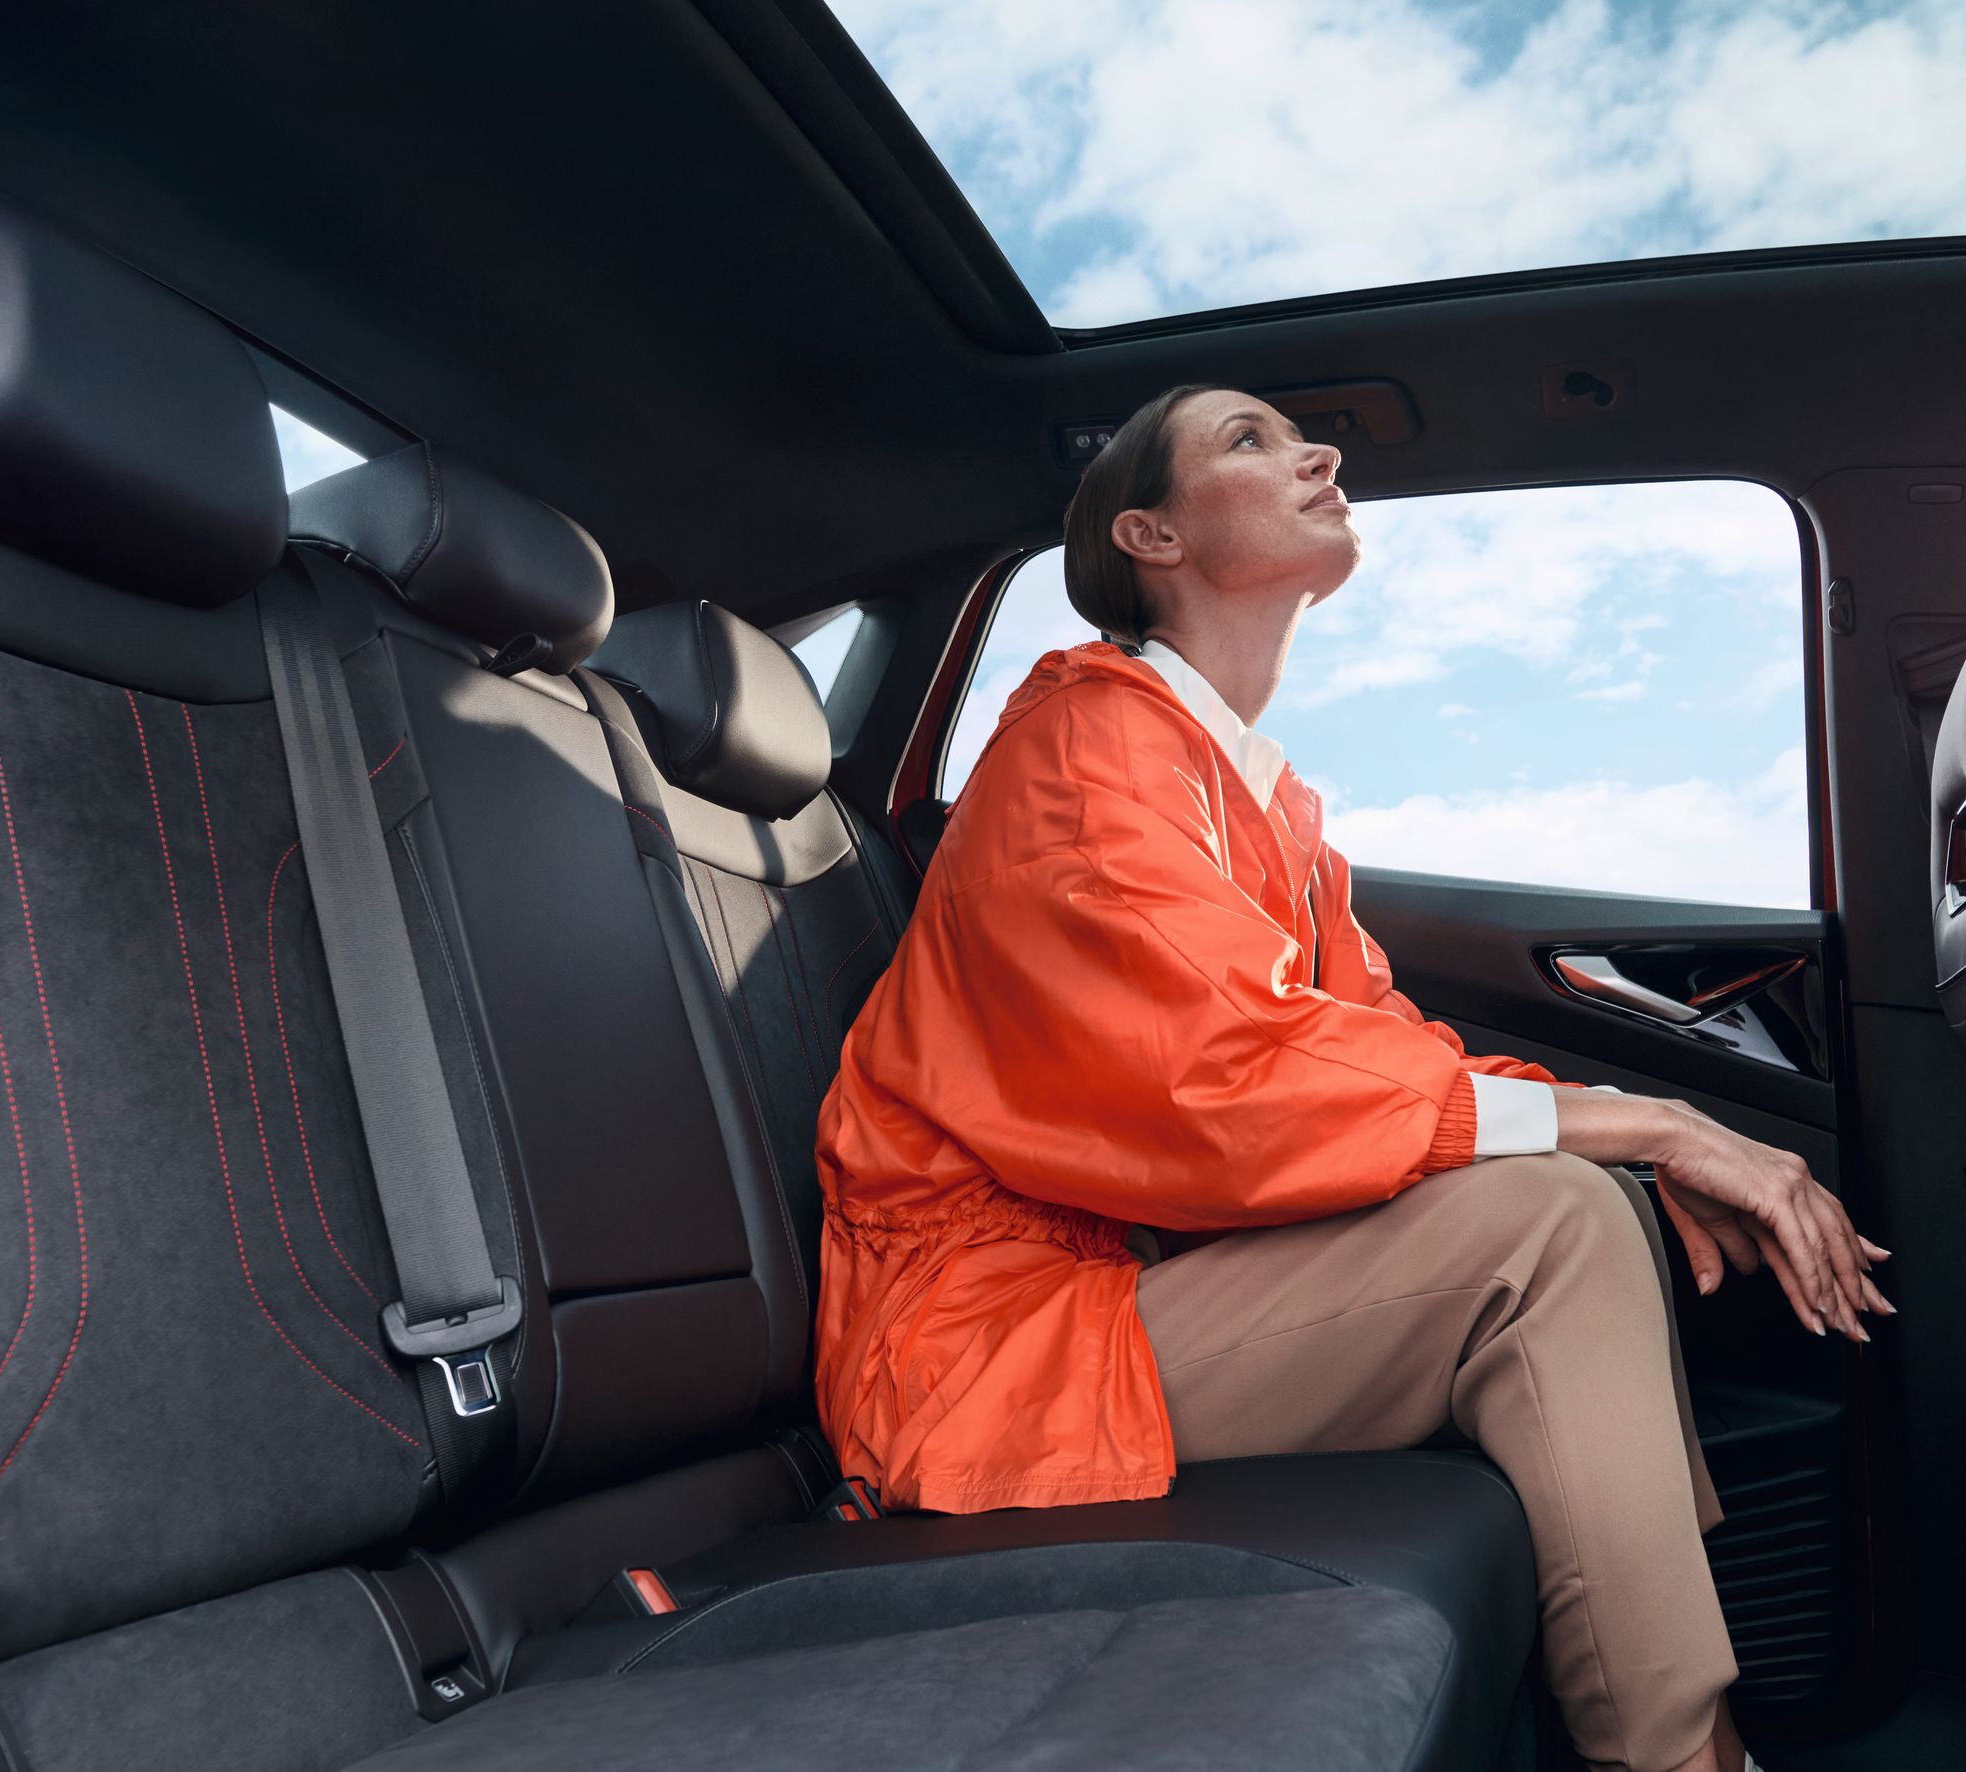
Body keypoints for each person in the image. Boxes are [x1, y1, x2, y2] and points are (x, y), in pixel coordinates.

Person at [811, 384, 1894, 1772]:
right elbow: (1206, 1074)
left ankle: (1666, 1720)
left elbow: (1379, 1057)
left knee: (1567, 1196)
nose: (1321, 455)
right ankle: (1682, 1757)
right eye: (1249, 441)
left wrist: (1619, 1144)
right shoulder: (1082, 746)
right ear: (1148, 532)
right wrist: (1651, 1124)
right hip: (984, 1346)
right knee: (1546, 1230)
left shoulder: (1265, 802)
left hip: (1134, 1286)